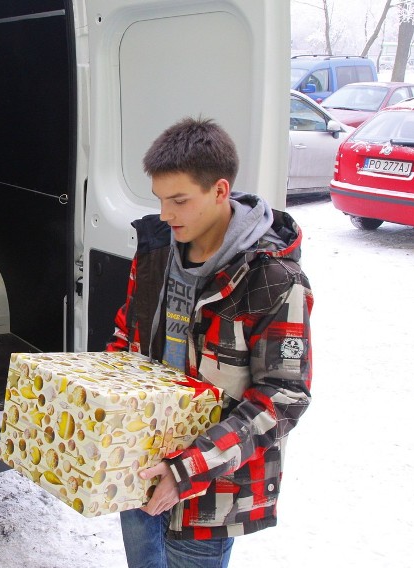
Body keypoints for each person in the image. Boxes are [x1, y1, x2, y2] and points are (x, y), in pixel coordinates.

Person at [107, 117, 314, 568]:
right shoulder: (157, 249)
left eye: (179, 201)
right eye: (160, 200)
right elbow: (128, 335)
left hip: (209, 492)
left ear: (220, 191)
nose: (165, 215)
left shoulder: (273, 278)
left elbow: (284, 396)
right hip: (138, 466)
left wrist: (186, 472)